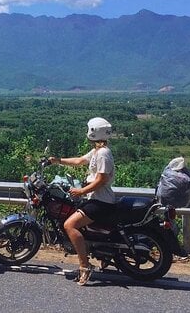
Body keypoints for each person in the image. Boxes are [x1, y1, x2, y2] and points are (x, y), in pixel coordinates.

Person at [48, 117, 116, 285]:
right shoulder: (97, 151)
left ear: (93, 132)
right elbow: (79, 161)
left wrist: (81, 191)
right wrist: (57, 161)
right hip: (95, 198)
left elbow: (101, 180)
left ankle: (84, 266)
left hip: (101, 201)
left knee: (69, 225)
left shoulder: (103, 154)